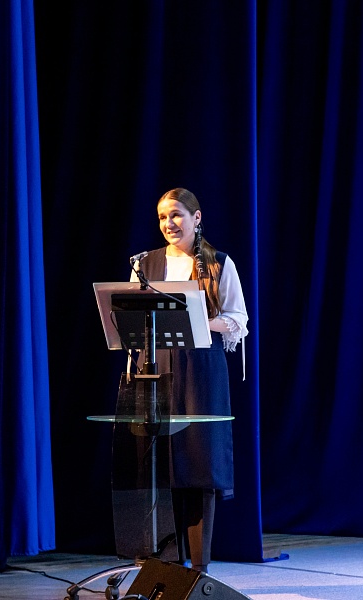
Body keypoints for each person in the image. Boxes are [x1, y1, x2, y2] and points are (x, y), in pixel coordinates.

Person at [129, 187, 248, 573]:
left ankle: (198, 569)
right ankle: (164, 565)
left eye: (176, 215)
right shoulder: (144, 264)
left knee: (199, 465)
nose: (169, 223)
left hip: (200, 372)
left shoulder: (219, 263)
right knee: (158, 466)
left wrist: (198, 318)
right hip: (156, 369)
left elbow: (238, 320)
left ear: (197, 218)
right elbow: (130, 316)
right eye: (162, 217)